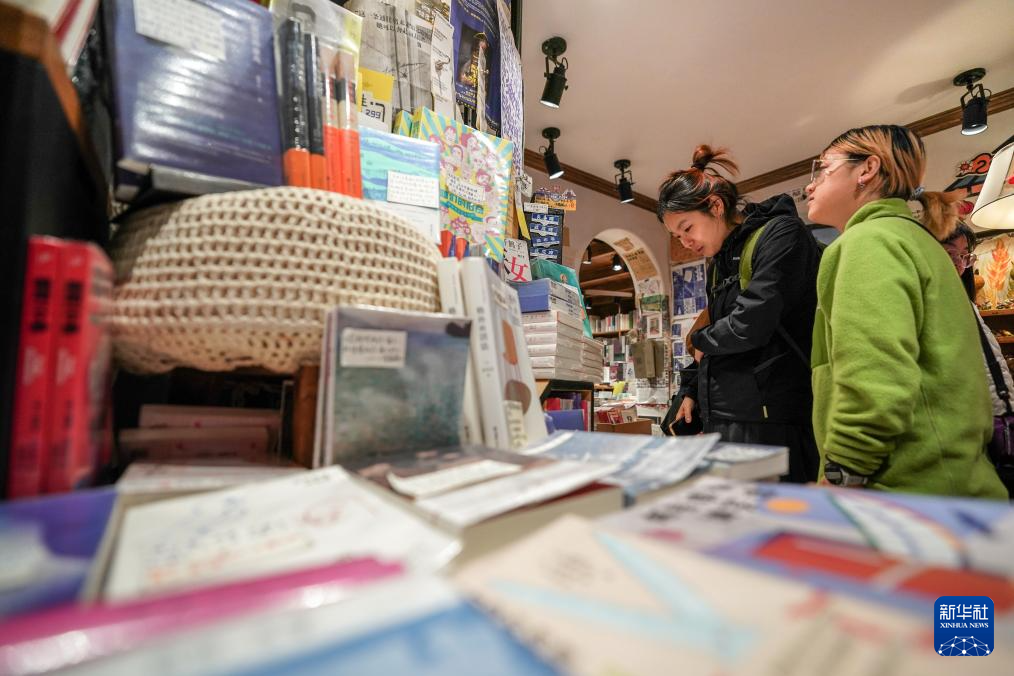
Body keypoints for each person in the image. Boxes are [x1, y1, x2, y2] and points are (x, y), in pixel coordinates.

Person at [805, 124, 1006, 499]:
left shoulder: (869, 240)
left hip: (906, 491)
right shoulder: (916, 239)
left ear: (867, 169)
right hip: (950, 483)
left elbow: (876, 375)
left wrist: (842, 472)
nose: (809, 186)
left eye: (823, 169)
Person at [660, 145, 821, 482]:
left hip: (774, 423)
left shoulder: (781, 235)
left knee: (778, 511)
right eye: (677, 235)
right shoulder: (718, 264)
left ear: (716, 206)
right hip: (727, 420)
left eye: (687, 228)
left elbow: (750, 323)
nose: (685, 241)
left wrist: (699, 339)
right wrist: (690, 391)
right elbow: (719, 335)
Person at [941, 223, 1014, 497]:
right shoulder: (936, 300)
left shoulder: (961, 300)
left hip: (990, 416)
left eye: (964, 256)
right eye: (950, 253)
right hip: (969, 424)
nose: (959, 264)